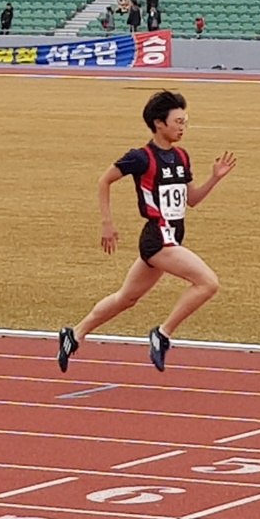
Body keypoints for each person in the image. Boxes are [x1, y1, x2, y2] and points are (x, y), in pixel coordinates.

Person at [56, 90, 236, 374]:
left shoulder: (181, 157)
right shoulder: (140, 157)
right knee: (207, 283)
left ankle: (74, 334)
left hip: (172, 238)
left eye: (184, 121)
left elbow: (192, 200)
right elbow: (104, 180)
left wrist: (214, 178)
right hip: (157, 239)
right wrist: (107, 222)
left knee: (126, 298)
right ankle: (162, 334)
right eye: (177, 121)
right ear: (158, 123)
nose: (182, 126)